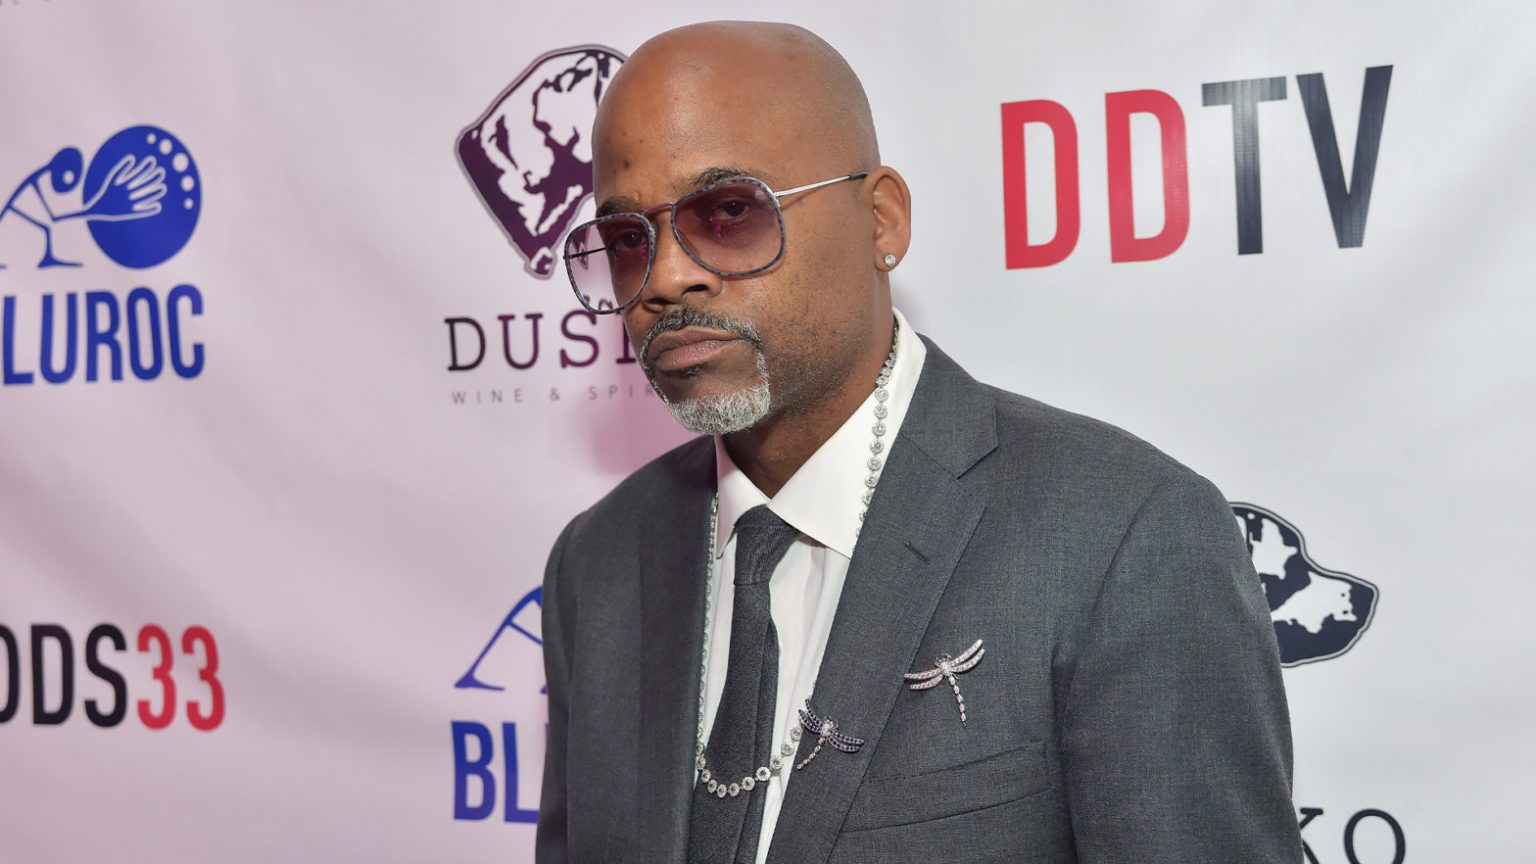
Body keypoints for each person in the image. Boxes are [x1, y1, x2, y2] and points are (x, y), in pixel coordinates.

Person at [537, 20, 1301, 864]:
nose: (666, 276)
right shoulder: (597, 563)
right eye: (627, 239)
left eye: (728, 213)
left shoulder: (1123, 537)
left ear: (882, 222)